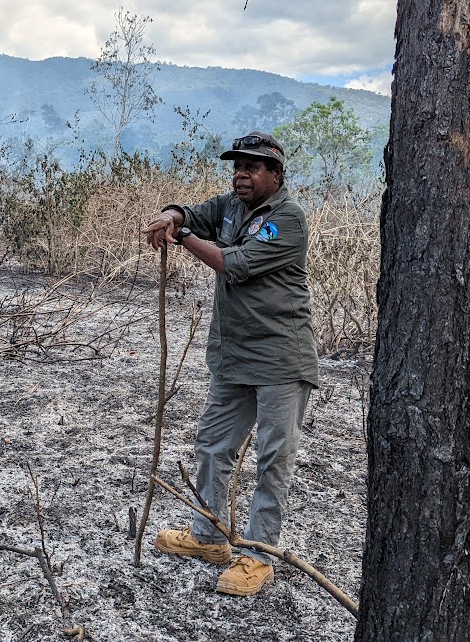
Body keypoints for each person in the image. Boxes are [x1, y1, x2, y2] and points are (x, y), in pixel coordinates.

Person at [142, 130, 318, 597]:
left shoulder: (288, 220)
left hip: (281, 356)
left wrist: (180, 237)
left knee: (273, 457)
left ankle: (259, 555)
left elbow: (231, 262)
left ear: (276, 175)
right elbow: (191, 212)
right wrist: (170, 216)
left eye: (253, 167)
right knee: (214, 444)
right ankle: (209, 537)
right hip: (234, 354)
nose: (241, 174)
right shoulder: (232, 205)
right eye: (237, 166)